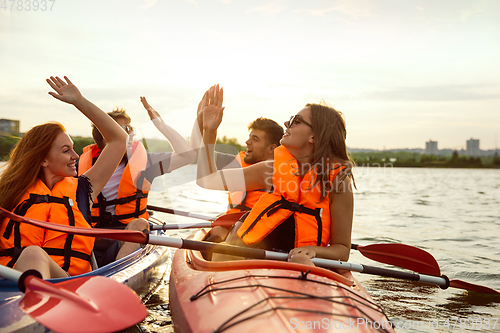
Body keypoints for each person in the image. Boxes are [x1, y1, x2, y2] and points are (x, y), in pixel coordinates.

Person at [196, 85, 355, 265]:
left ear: (314, 137)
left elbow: (342, 250)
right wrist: (209, 131)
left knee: (300, 262)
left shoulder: (338, 182)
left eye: (296, 120)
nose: (286, 124)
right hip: (244, 258)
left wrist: (314, 251)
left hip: (297, 262)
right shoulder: (270, 170)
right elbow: (207, 180)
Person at [0, 76, 128, 279]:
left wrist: (79, 101)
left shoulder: (83, 189)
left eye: (74, 149)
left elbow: (119, 139)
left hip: (68, 285)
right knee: (32, 255)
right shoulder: (8, 192)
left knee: (34, 254)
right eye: (66, 150)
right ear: (43, 160)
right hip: (12, 288)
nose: (75, 157)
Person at [78, 97, 197, 267]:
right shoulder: (80, 167)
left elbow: (188, 155)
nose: (129, 133)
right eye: (122, 129)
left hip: (128, 235)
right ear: (104, 136)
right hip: (89, 236)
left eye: (129, 128)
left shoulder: (146, 163)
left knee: (140, 224)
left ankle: (115, 279)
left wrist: (160, 125)